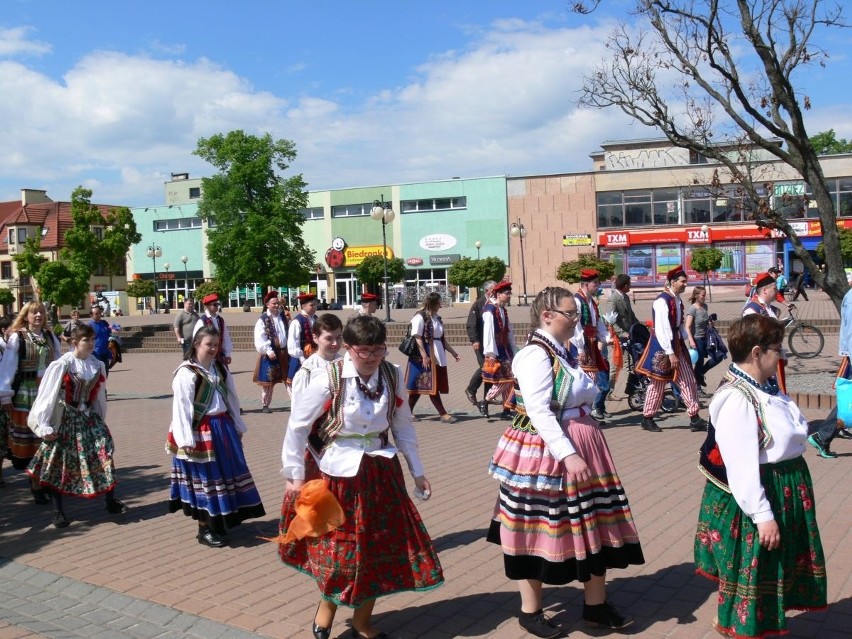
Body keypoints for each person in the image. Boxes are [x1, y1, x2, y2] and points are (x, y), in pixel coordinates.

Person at [488, 287, 644, 638]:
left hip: (583, 441)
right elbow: (540, 412)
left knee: (595, 523)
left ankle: (596, 606)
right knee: (539, 526)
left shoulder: (566, 350)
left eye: (576, 313)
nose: (577, 319)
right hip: (549, 452)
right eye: (570, 313)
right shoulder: (534, 355)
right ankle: (531, 612)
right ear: (547, 316)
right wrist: (569, 453)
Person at [279, 316, 444, 639]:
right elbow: (297, 426)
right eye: (364, 351)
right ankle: (327, 607)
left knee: (378, 548)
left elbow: (402, 425)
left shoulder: (391, 374)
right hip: (338, 473)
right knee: (339, 551)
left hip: (380, 471)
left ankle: (362, 621)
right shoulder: (330, 376)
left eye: (378, 350)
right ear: (349, 348)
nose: (371, 357)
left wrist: (418, 471)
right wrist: (294, 476)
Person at [695, 314, 827, 638]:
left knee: (772, 572)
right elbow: (741, 467)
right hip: (761, 494)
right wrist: (763, 515)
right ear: (757, 352)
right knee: (754, 573)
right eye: (777, 349)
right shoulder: (738, 399)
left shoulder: (764, 386)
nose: (781, 354)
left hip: (783, 488)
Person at [166, 325, 265, 548]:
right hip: (200, 430)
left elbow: (232, 398)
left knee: (226, 474)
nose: (213, 348)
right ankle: (204, 529)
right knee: (206, 479)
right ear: (196, 345)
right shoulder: (186, 372)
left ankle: (220, 522)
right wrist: (185, 441)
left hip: (223, 427)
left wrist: (238, 425)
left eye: (216, 344)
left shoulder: (219, 368)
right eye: (208, 344)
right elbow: (181, 408)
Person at [26, 324, 128, 528]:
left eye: (92, 340)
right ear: (74, 342)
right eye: (86, 340)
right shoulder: (62, 365)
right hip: (66, 418)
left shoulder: (97, 365)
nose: (90, 343)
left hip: (88, 418)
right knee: (59, 462)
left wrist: (99, 418)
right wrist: (43, 425)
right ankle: (58, 511)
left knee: (104, 452)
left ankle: (110, 501)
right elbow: (47, 396)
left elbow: (99, 395)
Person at [0, 301, 62, 503]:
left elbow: (59, 363)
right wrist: (5, 394)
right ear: (26, 316)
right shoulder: (18, 338)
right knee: (31, 441)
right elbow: (8, 367)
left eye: (41, 312)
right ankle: (35, 483)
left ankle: (43, 480)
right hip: (26, 393)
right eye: (34, 312)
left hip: (47, 392)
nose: (38, 316)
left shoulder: (50, 337)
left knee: (47, 438)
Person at [636, 265, 707, 433]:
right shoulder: (662, 301)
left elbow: (679, 325)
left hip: (676, 344)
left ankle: (694, 417)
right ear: (673, 282)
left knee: (688, 379)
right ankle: (647, 418)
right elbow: (662, 329)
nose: (685, 285)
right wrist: (670, 353)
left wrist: (685, 339)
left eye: (685, 281)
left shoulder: (677, 299)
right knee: (658, 383)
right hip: (663, 347)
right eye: (683, 281)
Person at [405, 292, 461, 424]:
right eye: (439, 303)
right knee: (431, 384)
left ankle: (407, 412)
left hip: (437, 352)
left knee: (419, 386)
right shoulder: (420, 317)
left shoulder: (436, 318)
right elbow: (417, 336)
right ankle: (443, 414)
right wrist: (424, 355)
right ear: (433, 303)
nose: (441, 306)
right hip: (424, 354)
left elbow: (442, 339)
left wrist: (453, 352)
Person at [571, 269, 612, 422]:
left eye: (598, 282)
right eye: (595, 283)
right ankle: (582, 413)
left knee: (591, 380)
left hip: (591, 344)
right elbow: (576, 327)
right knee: (583, 380)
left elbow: (598, 323)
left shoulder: (591, 302)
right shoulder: (577, 300)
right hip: (580, 346)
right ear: (585, 284)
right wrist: (580, 348)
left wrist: (607, 337)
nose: (598, 285)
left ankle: (587, 412)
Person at [743, 272, 788, 394]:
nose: (777, 291)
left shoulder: (770, 309)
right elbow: (753, 339)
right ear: (765, 290)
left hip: (772, 360)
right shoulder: (752, 309)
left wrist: (781, 355)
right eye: (774, 288)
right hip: (761, 363)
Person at [480, 281, 517, 419]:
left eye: (509, 293)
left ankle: (506, 410)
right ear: (499, 294)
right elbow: (488, 332)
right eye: (507, 294)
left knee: (511, 378)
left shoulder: (502, 309)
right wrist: (491, 354)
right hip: (497, 350)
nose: (509, 296)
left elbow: (508, 331)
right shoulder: (489, 310)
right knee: (505, 379)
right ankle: (485, 401)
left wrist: (513, 349)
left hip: (505, 349)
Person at [289, 314, 344, 397]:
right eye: (329, 338)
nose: (335, 343)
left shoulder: (345, 363)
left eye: (338, 337)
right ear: (315, 338)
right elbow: (299, 406)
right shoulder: (308, 370)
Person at [252, 291, 290, 414]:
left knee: (289, 379)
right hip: (271, 354)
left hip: (284, 352)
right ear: (267, 304)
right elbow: (260, 337)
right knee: (268, 382)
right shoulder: (263, 319)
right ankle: (265, 404)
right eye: (274, 303)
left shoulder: (282, 316)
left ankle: (295, 403)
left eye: (277, 303)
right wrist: (268, 350)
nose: (277, 305)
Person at [465, 280, 496, 413]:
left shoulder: (495, 303)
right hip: (481, 342)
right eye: (494, 289)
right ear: (487, 291)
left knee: (490, 370)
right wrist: (474, 340)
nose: (496, 292)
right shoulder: (479, 304)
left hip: (492, 342)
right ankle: (471, 390)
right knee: (484, 367)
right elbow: (471, 323)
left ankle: (486, 400)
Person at [684, 286, 712, 397]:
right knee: (699, 363)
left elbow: (705, 322)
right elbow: (687, 326)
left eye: (705, 295)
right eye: (703, 295)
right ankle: (697, 387)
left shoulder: (705, 306)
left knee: (717, 357)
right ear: (696, 296)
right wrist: (691, 341)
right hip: (696, 339)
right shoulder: (692, 309)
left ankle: (699, 376)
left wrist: (710, 323)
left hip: (706, 338)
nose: (704, 297)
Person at [193, 293, 234, 369]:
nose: (217, 306)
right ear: (207, 306)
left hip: (220, 356)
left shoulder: (220, 320)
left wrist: (227, 354)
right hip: (207, 355)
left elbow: (225, 337)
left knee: (224, 377)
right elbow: (196, 340)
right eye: (214, 305)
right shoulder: (202, 321)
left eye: (217, 304)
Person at [286, 293, 319, 385]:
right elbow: (293, 343)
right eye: (311, 305)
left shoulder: (316, 319)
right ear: (303, 306)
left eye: (315, 305)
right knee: (299, 385)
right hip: (300, 359)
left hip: (315, 357)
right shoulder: (297, 321)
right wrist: (302, 359)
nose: (314, 307)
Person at [88, 305, 113, 376]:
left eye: (99, 313)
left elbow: (110, 334)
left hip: (105, 352)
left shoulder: (104, 323)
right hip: (95, 353)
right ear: (91, 315)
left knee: (105, 373)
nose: (99, 315)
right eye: (96, 313)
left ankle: (103, 387)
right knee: (98, 374)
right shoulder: (89, 325)